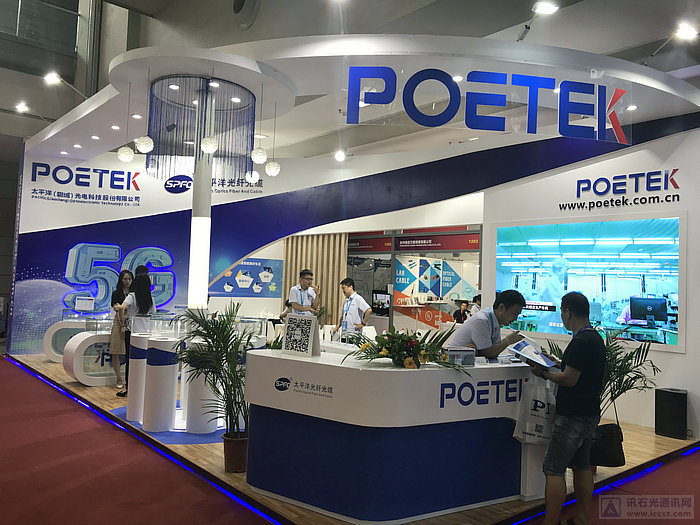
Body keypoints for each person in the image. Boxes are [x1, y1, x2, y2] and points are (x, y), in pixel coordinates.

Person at [530, 292, 606, 525]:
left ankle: (550, 521)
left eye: (562, 312)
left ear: (567, 312)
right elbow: (579, 370)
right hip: (589, 412)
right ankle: (582, 518)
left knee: (553, 468)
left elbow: (569, 379)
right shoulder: (594, 338)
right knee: (582, 466)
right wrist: (556, 362)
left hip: (572, 415)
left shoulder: (580, 341)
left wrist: (543, 372)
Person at [447, 290, 525, 358]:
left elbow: (494, 351)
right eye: (515, 314)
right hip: (456, 362)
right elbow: (489, 353)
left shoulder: (495, 321)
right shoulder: (481, 320)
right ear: (501, 307)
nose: (515, 319)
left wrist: (480, 352)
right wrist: (508, 340)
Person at [113, 273, 156, 397]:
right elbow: (153, 314)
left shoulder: (132, 296)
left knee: (131, 361)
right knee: (144, 361)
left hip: (132, 333)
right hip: (146, 333)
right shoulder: (150, 298)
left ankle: (130, 388)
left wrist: (122, 320)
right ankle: (143, 388)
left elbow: (122, 307)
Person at [108, 269, 133, 388]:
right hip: (118, 323)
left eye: (129, 279)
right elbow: (116, 308)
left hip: (132, 322)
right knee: (116, 351)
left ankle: (131, 378)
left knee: (131, 351)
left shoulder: (134, 293)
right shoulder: (116, 293)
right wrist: (121, 322)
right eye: (125, 279)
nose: (127, 281)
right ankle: (119, 378)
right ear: (121, 280)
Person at [537, 258, 569, 334]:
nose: (566, 272)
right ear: (559, 268)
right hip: (549, 326)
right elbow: (559, 305)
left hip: (552, 324)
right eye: (566, 269)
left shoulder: (556, 283)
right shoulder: (552, 282)